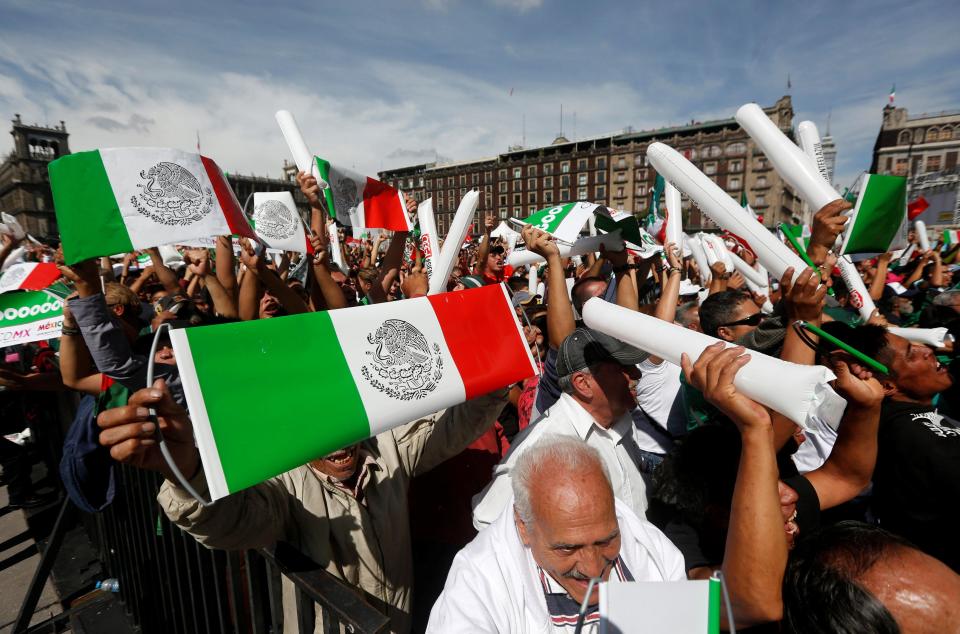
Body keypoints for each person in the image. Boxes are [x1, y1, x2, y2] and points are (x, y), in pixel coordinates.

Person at [96, 379, 509, 634]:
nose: (339, 442)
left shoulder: (386, 450)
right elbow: (231, 522)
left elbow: (456, 426)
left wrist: (494, 376)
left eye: (342, 423)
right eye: (318, 430)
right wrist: (186, 469)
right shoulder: (282, 484)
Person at [428, 436, 685, 633]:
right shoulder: (477, 583)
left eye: (606, 541)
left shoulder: (652, 549)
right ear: (523, 527)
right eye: (568, 548)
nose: (593, 568)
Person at [472, 328, 651, 528]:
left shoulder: (622, 422)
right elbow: (487, 520)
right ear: (583, 383)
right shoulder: (543, 443)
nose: (637, 374)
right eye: (622, 369)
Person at [821, 322, 960, 572]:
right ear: (887, 386)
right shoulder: (915, 435)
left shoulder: (894, 422)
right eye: (911, 354)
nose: (927, 351)